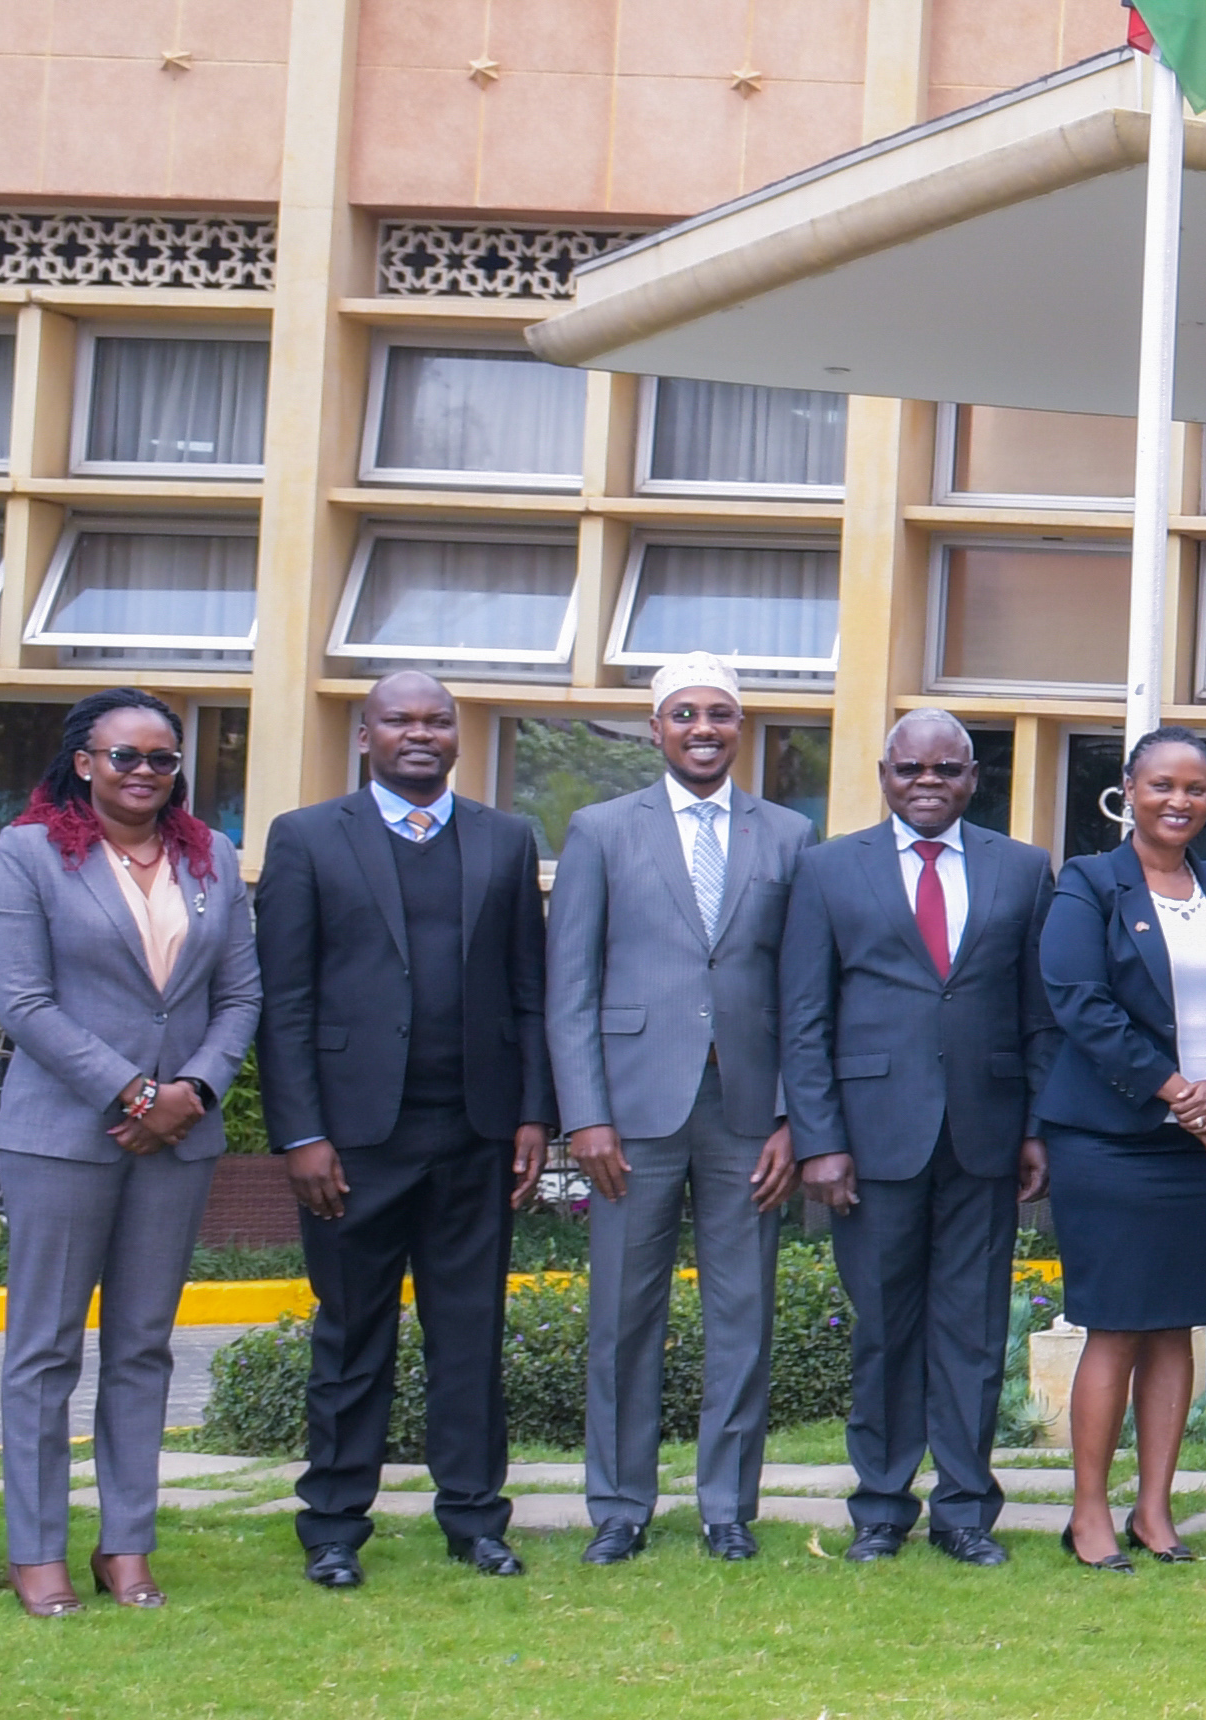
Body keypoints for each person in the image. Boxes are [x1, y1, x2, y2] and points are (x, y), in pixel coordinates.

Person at [254, 670, 548, 1590]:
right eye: (399, 721)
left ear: (458, 736)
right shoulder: (305, 839)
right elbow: (285, 1003)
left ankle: (474, 1518)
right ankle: (335, 1525)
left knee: (471, 1334)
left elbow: (528, 996)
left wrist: (535, 1114)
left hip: (476, 1134)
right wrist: (301, 1134)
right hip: (351, 1143)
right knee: (352, 1334)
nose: (419, 735)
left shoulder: (505, 841)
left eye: (436, 722)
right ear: (364, 735)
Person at [0, 689, 260, 1617]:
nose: (144, 773)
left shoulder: (212, 857)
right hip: (62, 1134)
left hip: (179, 1139)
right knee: (44, 1350)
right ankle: (36, 1551)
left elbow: (240, 997)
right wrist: (134, 1091)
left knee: (143, 1347)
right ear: (84, 761)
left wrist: (190, 1095)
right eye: (124, 756)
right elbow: (21, 1001)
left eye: (162, 759)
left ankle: (127, 1544)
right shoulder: (30, 854)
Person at [547, 657, 812, 1565]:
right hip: (631, 1114)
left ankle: (727, 1506)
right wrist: (585, 1116)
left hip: (747, 1111)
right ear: (655, 728)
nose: (705, 729)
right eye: (685, 714)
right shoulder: (599, 830)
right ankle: (620, 1505)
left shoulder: (788, 833)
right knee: (624, 1316)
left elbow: (801, 989)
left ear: (742, 729)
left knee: (744, 1316)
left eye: (722, 715)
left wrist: (791, 1119)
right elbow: (569, 986)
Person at [777, 705, 1050, 1568]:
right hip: (871, 1139)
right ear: (884, 775)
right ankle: (882, 1509)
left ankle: (966, 1510)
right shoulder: (826, 871)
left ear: (973, 777)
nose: (927, 784)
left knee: (973, 1331)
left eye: (946, 770)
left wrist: (1037, 1129)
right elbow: (805, 1015)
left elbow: (1038, 1018)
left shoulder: (1023, 870)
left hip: (986, 1136)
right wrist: (818, 1139)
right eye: (910, 771)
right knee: (886, 1328)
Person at [1033, 727, 1206, 1570]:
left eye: (1196, 788)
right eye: (1162, 784)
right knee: (1117, 1327)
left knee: (1179, 1328)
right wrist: (1177, 1093)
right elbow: (1079, 1004)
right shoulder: (1089, 883)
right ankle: (1089, 1513)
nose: (1180, 801)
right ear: (1128, 789)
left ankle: (1154, 1512)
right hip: (1113, 1140)